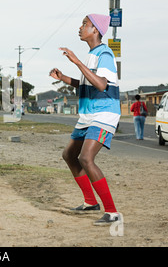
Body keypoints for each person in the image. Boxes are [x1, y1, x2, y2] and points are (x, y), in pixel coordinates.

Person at [49, 14, 122, 226]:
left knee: (86, 158)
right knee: (69, 155)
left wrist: (77, 61)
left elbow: (101, 85)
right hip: (88, 114)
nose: (80, 28)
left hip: (104, 113)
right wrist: (63, 78)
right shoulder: (92, 54)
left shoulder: (105, 54)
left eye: (85, 24)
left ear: (95, 30)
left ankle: (112, 212)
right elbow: (87, 84)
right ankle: (90, 202)